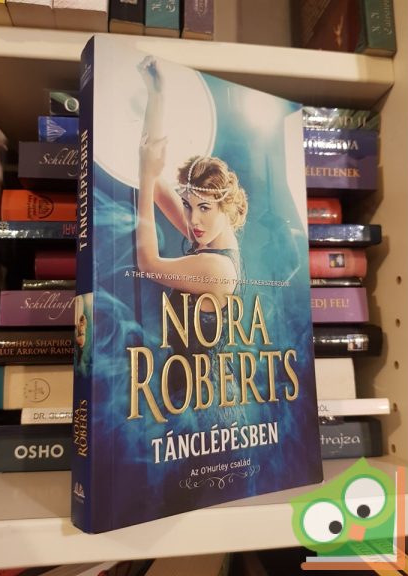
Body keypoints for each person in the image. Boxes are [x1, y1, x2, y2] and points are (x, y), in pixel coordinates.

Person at [137, 55, 248, 422]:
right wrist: (157, 94)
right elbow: (155, 174)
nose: (193, 220)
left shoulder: (216, 267)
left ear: (225, 207)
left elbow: (148, 263)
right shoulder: (210, 239)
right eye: (188, 206)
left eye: (204, 208)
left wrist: (144, 178)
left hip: (203, 410)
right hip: (191, 399)